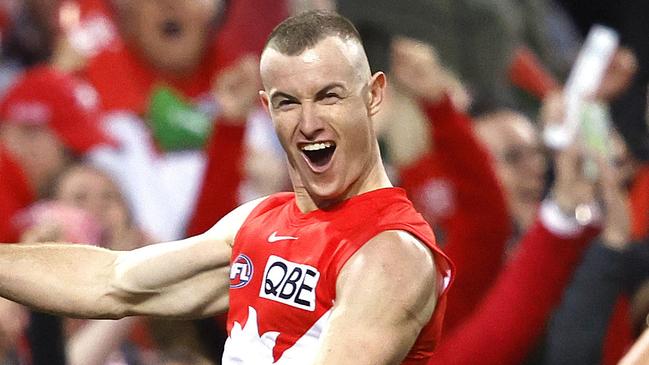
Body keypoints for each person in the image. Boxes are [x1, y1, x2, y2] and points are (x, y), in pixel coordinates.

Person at [0, 10, 454, 365]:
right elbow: (111, 283)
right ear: (266, 108)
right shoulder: (256, 223)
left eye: (329, 96)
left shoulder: (392, 253)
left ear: (373, 95)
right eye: (288, 103)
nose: (309, 123)